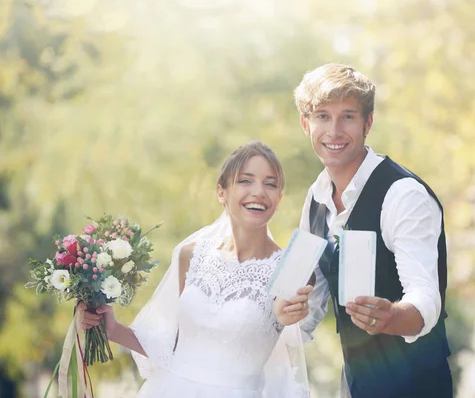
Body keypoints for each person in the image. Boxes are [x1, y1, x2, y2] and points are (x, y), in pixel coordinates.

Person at [78, 141, 313, 397]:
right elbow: (167, 347)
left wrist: (291, 312)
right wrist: (109, 326)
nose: (259, 191)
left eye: (270, 184)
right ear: (221, 192)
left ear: (279, 198)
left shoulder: (289, 267)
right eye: (246, 181)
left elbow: (291, 312)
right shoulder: (190, 255)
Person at [296, 64, 453, 398]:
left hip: (417, 388)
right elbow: (304, 308)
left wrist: (391, 316)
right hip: (355, 386)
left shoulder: (403, 194)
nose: (334, 131)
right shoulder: (315, 198)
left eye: (348, 117)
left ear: (368, 123)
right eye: (322, 116)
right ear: (305, 123)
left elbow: (426, 298)